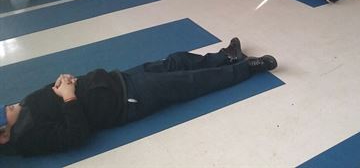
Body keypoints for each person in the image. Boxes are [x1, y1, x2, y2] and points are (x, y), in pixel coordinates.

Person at [0, 38, 277, 156]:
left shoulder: (24, 111)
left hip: (113, 79)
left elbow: (51, 96)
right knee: (187, 82)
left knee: (174, 62)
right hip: (124, 100)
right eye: (5, 113)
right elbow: (75, 136)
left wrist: (63, 82)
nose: (9, 106)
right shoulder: (28, 139)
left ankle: (224, 56)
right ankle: (245, 69)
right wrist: (69, 97)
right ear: (3, 136)